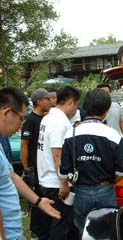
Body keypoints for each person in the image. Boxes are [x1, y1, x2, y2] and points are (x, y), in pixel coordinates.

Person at [59, 88, 123, 236]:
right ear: (106, 110)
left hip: (81, 192)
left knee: (83, 231)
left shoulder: (70, 134)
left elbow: (63, 171)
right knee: (108, 232)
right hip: (106, 191)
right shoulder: (113, 135)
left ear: (85, 107)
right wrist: (111, 180)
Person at [0, 87, 60, 240]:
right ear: (7, 113)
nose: (21, 125)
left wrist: (38, 201)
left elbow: (11, 176)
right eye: (21, 118)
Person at [37, 86, 81, 239]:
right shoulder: (59, 122)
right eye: (76, 105)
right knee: (60, 224)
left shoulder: (48, 117)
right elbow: (58, 155)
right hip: (56, 183)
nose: (76, 110)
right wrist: (64, 183)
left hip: (47, 179)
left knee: (61, 222)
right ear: (70, 102)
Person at [20, 88, 53, 239]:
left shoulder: (47, 119)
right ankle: (36, 230)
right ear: (39, 101)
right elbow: (24, 146)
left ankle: (45, 227)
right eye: (47, 99)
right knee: (38, 198)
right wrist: (27, 168)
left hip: (46, 165)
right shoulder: (30, 121)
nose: (50, 101)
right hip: (36, 166)